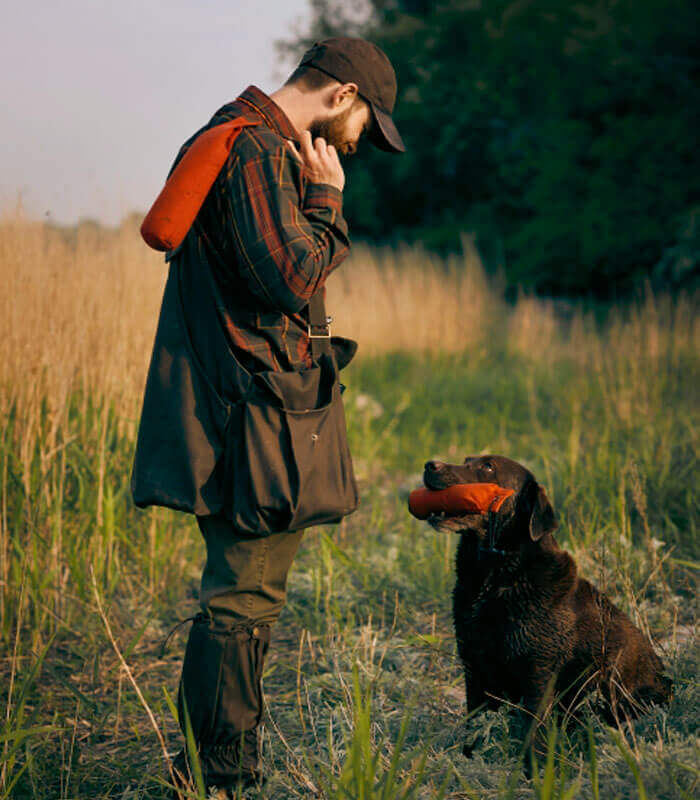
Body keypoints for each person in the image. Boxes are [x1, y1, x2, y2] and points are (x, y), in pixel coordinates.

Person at [130, 37, 405, 798]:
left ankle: (217, 766)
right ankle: (217, 776)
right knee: (244, 593)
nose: (360, 145)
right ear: (342, 96)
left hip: (263, 410)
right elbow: (292, 276)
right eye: (365, 126)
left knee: (249, 591)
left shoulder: (257, 144)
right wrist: (328, 202)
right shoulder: (256, 151)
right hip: (254, 416)